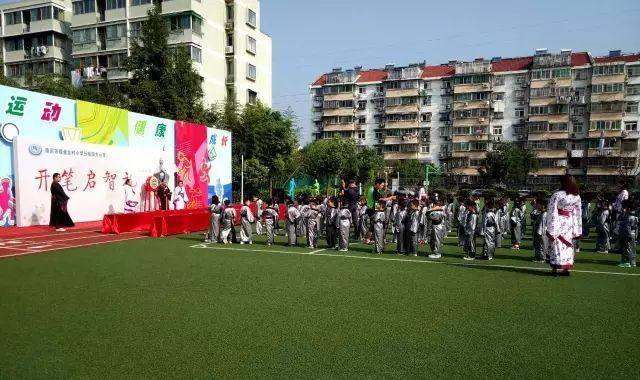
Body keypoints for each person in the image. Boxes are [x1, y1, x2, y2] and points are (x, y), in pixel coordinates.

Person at [545, 174, 582, 276]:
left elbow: (552, 211)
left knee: (556, 243)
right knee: (568, 245)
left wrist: (551, 228)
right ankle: (566, 269)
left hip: (558, 221)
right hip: (569, 222)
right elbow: (578, 213)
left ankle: (555, 268)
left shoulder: (557, 195)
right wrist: (577, 228)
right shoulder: (576, 196)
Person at [617, 199, 638, 268]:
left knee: (626, 248)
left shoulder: (628, 217)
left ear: (628, 208)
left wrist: (627, 235)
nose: (623, 208)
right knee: (632, 248)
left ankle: (626, 262)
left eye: (624, 207)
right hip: (633, 234)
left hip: (627, 234)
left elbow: (627, 227)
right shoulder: (635, 216)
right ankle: (633, 262)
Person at [531, 198, 548, 263]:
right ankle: (538, 256)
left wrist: (539, 233)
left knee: (541, 245)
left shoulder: (544, 214)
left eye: (538, 205)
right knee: (538, 245)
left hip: (541, 233)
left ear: (542, 205)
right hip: (539, 232)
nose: (537, 206)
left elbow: (542, 225)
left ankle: (542, 258)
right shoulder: (542, 213)